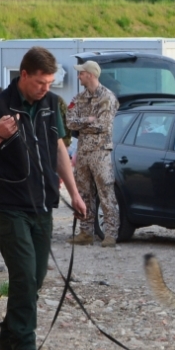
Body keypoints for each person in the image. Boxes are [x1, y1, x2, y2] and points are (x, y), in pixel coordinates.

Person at [0, 46, 86, 350]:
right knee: (22, 275)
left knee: (36, 276)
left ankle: (7, 339)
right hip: (11, 206)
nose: (46, 88)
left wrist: (75, 193)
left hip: (43, 204)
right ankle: (25, 347)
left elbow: (59, 147)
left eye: (50, 82)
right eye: (41, 82)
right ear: (25, 74)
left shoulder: (50, 105)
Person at [65, 59, 119, 247]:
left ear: (90, 74)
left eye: (81, 73)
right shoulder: (79, 98)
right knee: (83, 192)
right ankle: (85, 232)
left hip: (101, 152)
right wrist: (88, 120)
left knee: (105, 192)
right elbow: (69, 122)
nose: (79, 76)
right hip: (84, 151)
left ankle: (110, 234)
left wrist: (83, 124)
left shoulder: (107, 97)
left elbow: (104, 125)